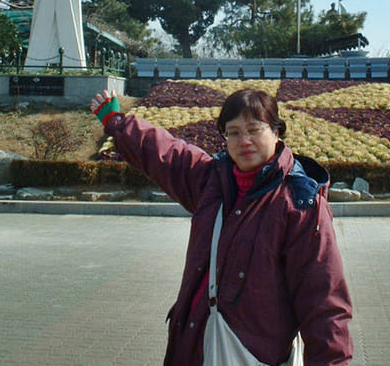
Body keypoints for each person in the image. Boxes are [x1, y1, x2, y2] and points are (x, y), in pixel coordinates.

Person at [90, 88, 353, 365]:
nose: (245, 141)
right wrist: (117, 124)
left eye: (254, 129)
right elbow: (166, 155)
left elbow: (324, 303)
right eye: (234, 132)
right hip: (193, 348)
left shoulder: (300, 204)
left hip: (250, 354)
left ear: (277, 132)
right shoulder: (212, 181)